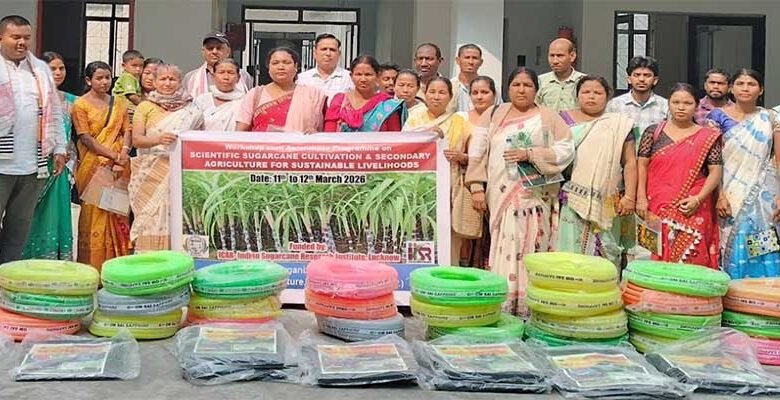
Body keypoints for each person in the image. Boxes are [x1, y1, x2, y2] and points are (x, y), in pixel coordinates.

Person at [465, 67, 575, 316]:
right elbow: (477, 154)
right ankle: (503, 302)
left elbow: (566, 149)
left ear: (536, 89)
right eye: (516, 85)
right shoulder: (494, 115)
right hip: (501, 196)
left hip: (536, 196)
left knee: (534, 243)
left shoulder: (548, 117)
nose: (521, 90)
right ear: (508, 88)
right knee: (505, 244)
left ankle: (531, 305)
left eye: (527, 85)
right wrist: (476, 188)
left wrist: (531, 155)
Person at [0, 15, 67, 263]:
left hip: (32, 164)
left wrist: (59, 146)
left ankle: (5, 283)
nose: (21, 42)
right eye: (15, 37)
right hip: (1, 165)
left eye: (26, 37)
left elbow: (54, 109)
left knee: (18, 230)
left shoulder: (39, 69)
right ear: (1, 38)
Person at [636, 83, 722, 269]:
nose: (681, 107)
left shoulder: (708, 136)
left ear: (697, 105)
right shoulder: (653, 132)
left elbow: (715, 171)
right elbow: (641, 165)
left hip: (693, 204)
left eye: (687, 103)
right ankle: (658, 297)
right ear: (668, 103)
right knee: (655, 254)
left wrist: (698, 199)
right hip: (656, 203)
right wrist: (641, 198)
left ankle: (692, 297)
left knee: (694, 256)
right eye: (676, 102)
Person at [556, 76, 637, 267]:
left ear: (608, 97)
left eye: (598, 93)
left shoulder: (620, 124)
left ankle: (603, 293)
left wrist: (630, 196)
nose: (591, 97)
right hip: (572, 197)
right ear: (577, 96)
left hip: (609, 198)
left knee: (608, 246)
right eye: (586, 92)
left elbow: (630, 162)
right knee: (570, 252)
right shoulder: (563, 120)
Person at [707, 69, 780, 278]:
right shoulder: (717, 117)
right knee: (726, 243)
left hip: (763, 198)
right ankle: (730, 298)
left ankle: (759, 297)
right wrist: (719, 195)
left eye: (751, 84)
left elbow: (778, 159)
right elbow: (713, 160)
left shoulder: (770, 118)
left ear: (761, 90)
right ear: (731, 88)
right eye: (740, 83)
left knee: (762, 247)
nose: (745, 88)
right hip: (727, 194)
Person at [130, 63, 203, 251]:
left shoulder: (192, 108)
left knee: (178, 216)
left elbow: (200, 139)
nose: (167, 83)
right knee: (149, 217)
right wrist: (158, 139)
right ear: (154, 82)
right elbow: (137, 140)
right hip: (150, 173)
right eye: (163, 79)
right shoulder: (145, 106)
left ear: (180, 82)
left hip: (180, 172)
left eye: (172, 79)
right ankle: (148, 263)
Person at [402, 77, 470, 264]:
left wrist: (460, 156)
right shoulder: (414, 117)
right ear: (425, 94)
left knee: (447, 232)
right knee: (419, 227)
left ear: (450, 97)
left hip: (449, 186)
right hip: (419, 188)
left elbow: (470, 156)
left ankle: (449, 271)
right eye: (432, 92)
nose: (436, 97)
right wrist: (428, 133)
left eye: (442, 93)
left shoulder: (460, 120)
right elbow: (403, 145)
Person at [72, 61, 132, 269]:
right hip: (94, 166)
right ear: (89, 81)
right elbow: (85, 137)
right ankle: (93, 265)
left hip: (118, 167)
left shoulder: (120, 103)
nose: (105, 82)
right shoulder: (80, 105)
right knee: (94, 214)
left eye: (107, 77)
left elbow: (127, 132)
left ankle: (118, 262)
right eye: (99, 78)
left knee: (118, 212)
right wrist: (113, 155)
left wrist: (123, 153)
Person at [21, 51, 75, 260]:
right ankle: (27, 257)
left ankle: (56, 259)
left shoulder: (72, 101)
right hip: (35, 164)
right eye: (52, 68)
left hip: (61, 166)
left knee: (56, 212)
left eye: (61, 68)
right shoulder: (30, 96)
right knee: (30, 213)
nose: (58, 72)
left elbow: (75, 137)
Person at [457, 75, 498, 269]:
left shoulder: (502, 118)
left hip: (497, 182)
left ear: (494, 94)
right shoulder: (461, 118)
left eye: (485, 92)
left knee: (493, 232)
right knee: (469, 232)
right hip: (468, 182)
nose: (479, 97)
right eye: (475, 93)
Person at [236, 47, 326, 133]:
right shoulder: (255, 94)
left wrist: (316, 134)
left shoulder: (312, 94)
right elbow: (240, 131)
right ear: (269, 68)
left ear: (296, 66)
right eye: (275, 63)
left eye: (286, 62)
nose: (281, 67)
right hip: (262, 147)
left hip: (299, 147)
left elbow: (324, 130)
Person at [324, 55, 403, 132]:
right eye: (358, 74)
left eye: (368, 74)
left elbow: (394, 138)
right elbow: (329, 135)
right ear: (351, 76)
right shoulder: (340, 102)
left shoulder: (387, 106)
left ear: (378, 76)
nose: (363, 79)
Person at [606, 56, 668, 140]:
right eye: (637, 75)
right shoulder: (614, 105)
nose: (641, 79)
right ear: (629, 79)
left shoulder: (666, 106)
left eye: (647, 75)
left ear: (655, 80)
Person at [184, 31, 252, 97]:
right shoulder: (190, 78)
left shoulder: (243, 76)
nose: (214, 51)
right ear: (203, 52)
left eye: (219, 48)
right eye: (210, 48)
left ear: (228, 51)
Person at [297, 33, 353, 103]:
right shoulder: (301, 79)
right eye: (324, 49)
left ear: (339, 54)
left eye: (332, 50)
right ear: (314, 53)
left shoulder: (350, 79)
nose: (328, 53)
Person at [535, 38, 585, 113]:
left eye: (560, 56)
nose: (555, 61)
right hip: (548, 124)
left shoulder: (584, 81)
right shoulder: (539, 81)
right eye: (552, 56)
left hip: (577, 124)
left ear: (572, 56)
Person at [194, 59, 243, 131]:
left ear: (238, 78)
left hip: (232, 141)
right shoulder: (201, 101)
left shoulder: (244, 102)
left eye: (231, 73)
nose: (226, 77)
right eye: (221, 72)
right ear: (213, 76)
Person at [448, 44, 485, 112]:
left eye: (475, 58)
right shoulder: (449, 86)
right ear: (457, 60)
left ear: (481, 62)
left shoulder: (488, 88)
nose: (470, 62)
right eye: (467, 57)